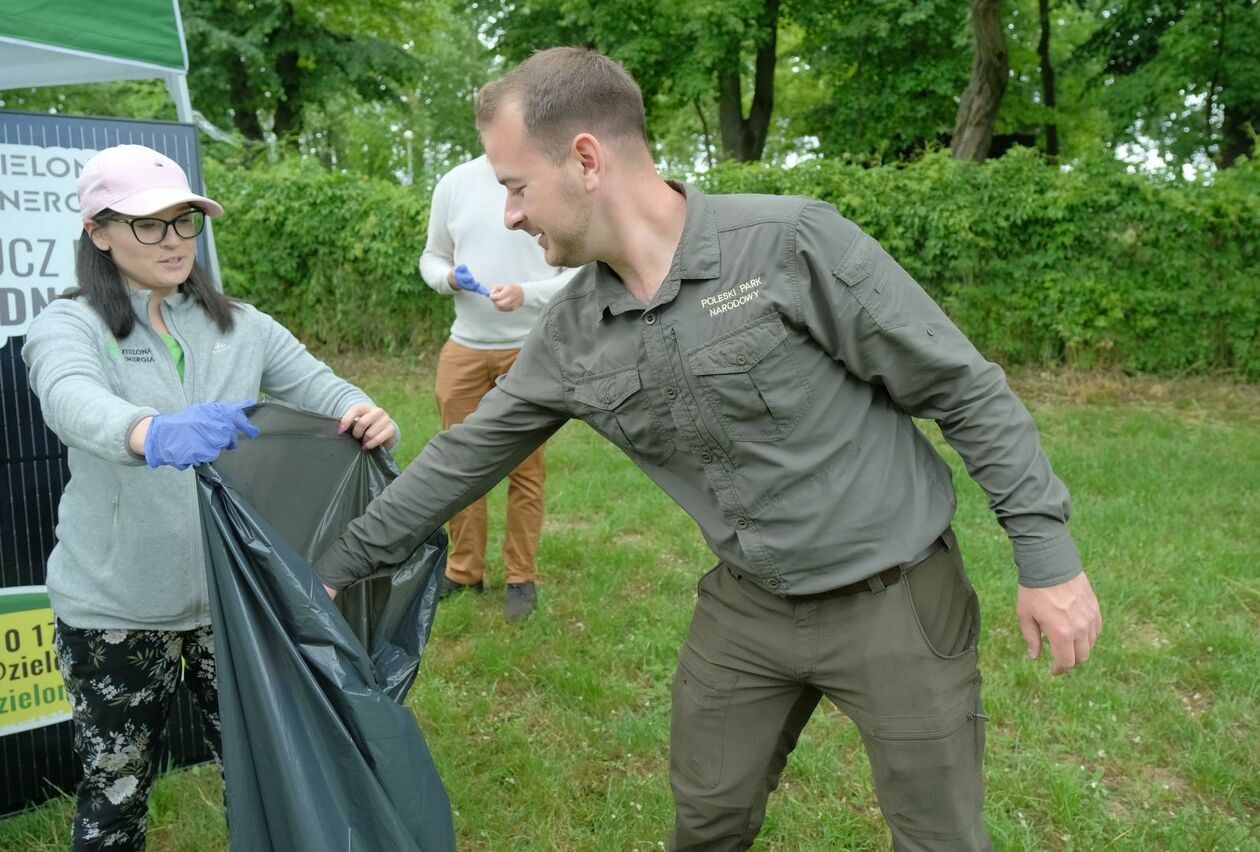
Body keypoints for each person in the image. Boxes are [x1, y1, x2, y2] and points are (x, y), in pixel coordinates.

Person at [314, 48, 1103, 851]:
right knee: (707, 820)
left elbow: (961, 389)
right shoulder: (572, 332)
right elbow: (465, 455)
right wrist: (340, 566)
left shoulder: (791, 245)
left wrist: (1048, 556)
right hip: (748, 606)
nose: (510, 216)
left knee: (939, 839)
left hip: (895, 597)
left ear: (586, 159)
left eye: (515, 187)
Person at [22, 144, 397, 850]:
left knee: (272, 777)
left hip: (236, 607)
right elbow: (71, 400)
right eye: (149, 225)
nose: (174, 241)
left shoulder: (240, 326)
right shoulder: (70, 324)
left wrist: (368, 413)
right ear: (98, 232)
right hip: (117, 613)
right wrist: (148, 431)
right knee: (116, 794)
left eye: (185, 222)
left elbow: (329, 391)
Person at [419, 153, 576, 620]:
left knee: (525, 470)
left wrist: (528, 293)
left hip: (529, 349)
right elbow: (432, 257)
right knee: (458, 465)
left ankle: (520, 578)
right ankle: (463, 570)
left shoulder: (551, 178)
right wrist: (448, 278)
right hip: (464, 348)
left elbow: (577, 273)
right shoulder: (455, 182)